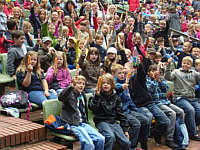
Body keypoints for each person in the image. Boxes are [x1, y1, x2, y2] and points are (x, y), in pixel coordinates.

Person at [58, 75, 105, 150]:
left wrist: (96, 95)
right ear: (74, 84)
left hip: (83, 123)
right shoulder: (69, 94)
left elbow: (88, 108)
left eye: (83, 84)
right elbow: (60, 97)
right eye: (79, 83)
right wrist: (70, 87)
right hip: (73, 124)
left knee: (101, 139)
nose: (81, 86)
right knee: (89, 144)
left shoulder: (82, 94)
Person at [111, 64, 150, 150]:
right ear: (113, 74)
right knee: (136, 124)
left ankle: (143, 144)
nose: (122, 75)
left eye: (123, 73)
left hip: (128, 109)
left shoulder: (125, 82)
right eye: (119, 73)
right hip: (120, 112)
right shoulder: (114, 83)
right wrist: (122, 87)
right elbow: (115, 87)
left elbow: (129, 99)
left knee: (146, 120)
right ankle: (130, 147)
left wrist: (136, 111)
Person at [89, 73, 131, 150]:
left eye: (108, 83)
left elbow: (121, 114)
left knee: (126, 142)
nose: (105, 85)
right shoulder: (97, 95)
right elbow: (93, 108)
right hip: (101, 121)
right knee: (110, 137)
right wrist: (96, 96)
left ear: (112, 85)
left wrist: (125, 130)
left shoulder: (116, 97)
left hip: (113, 122)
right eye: (104, 83)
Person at [146, 64, 184, 148]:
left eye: (156, 71)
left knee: (180, 112)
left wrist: (160, 80)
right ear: (148, 72)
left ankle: (178, 133)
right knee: (172, 113)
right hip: (155, 103)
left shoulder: (160, 79)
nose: (155, 73)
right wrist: (155, 80)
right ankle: (169, 139)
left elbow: (166, 89)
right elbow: (149, 91)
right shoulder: (147, 80)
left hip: (164, 101)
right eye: (152, 71)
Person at [165, 56, 200, 141]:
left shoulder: (194, 73)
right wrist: (168, 66)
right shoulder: (177, 72)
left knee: (198, 110)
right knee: (190, 110)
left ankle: (190, 127)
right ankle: (193, 133)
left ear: (191, 65)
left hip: (191, 98)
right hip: (180, 97)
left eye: (188, 63)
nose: (185, 64)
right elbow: (168, 77)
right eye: (184, 63)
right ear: (181, 63)